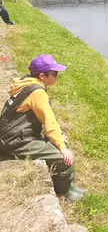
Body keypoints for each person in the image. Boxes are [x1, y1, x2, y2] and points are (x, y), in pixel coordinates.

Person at [0, 55, 85, 201]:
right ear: (42, 76)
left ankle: (69, 187)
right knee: (62, 159)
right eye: (54, 73)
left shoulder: (26, 84)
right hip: (15, 140)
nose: (57, 76)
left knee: (56, 142)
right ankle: (67, 193)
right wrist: (62, 148)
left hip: (9, 135)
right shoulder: (37, 92)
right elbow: (49, 122)